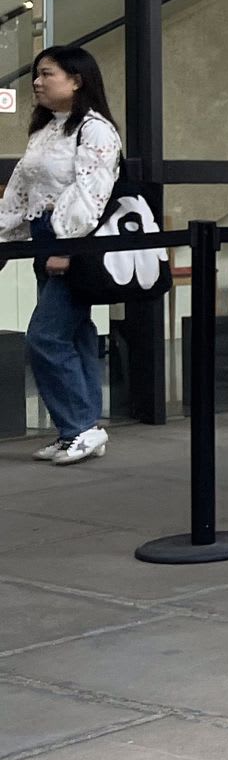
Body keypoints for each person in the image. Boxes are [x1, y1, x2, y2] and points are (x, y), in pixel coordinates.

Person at [0, 45, 122, 465]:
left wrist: (68, 248)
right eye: (37, 74)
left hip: (71, 240)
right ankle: (78, 426)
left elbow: (93, 195)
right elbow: (22, 187)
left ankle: (80, 428)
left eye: (46, 74)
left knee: (46, 336)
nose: (36, 81)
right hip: (43, 236)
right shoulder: (48, 129)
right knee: (74, 334)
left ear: (77, 80)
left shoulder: (95, 130)